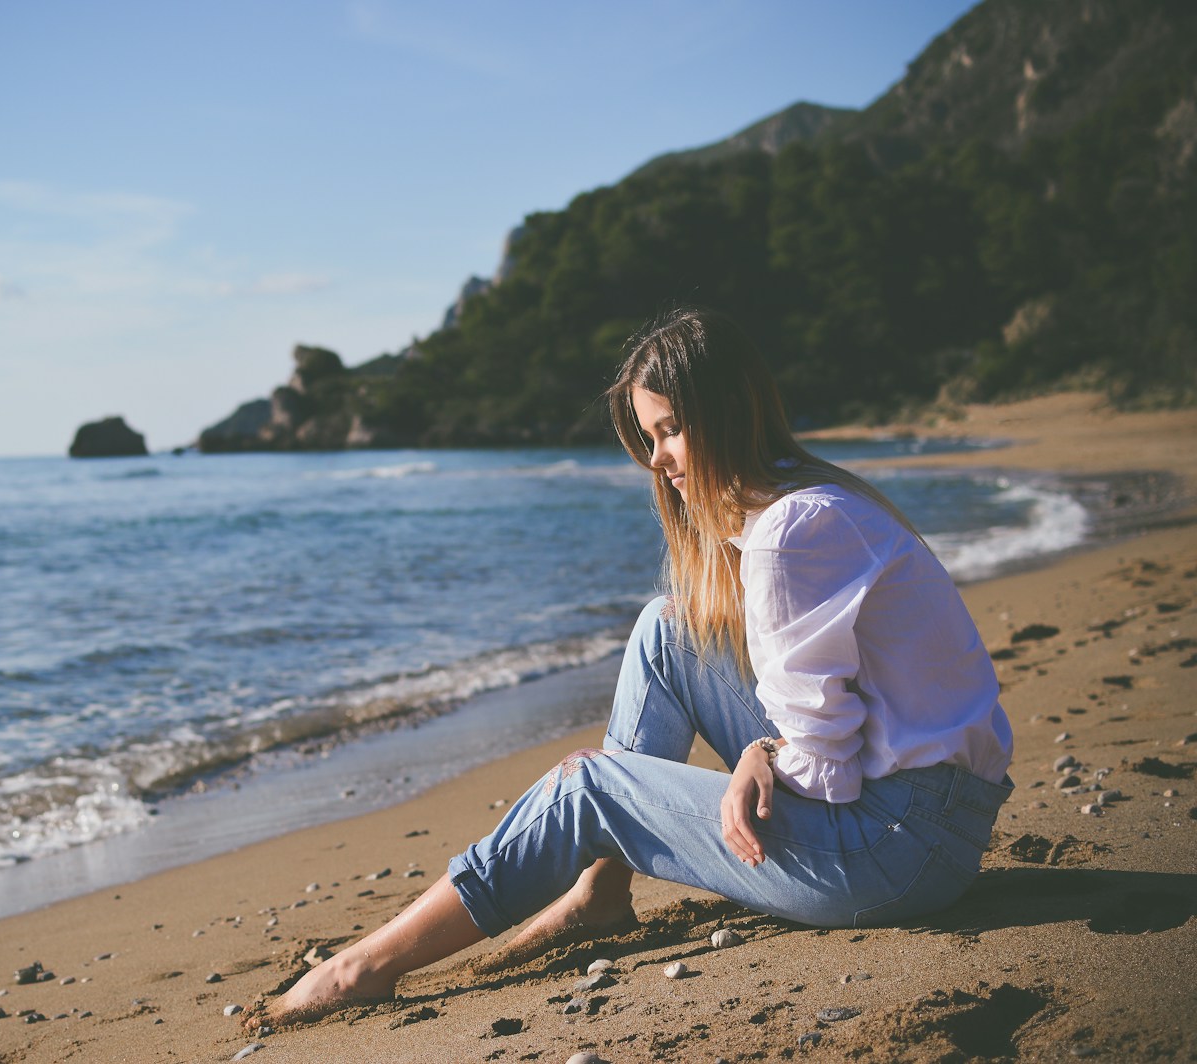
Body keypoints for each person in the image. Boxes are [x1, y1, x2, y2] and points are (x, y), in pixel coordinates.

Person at [249, 306, 1013, 1028]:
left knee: (587, 787)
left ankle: (365, 966)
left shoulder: (789, 533)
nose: (657, 458)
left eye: (673, 430)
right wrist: (768, 752)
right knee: (666, 629)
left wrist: (763, 753)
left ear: (728, 412)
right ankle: (600, 892)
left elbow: (828, 772)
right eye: (651, 435)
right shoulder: (810, 502)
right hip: (928, 820)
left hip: (896, 850)